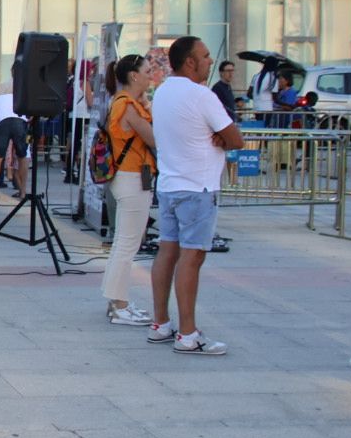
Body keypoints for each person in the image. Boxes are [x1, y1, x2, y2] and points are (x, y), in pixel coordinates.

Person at [149, 36, 244, 356]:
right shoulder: (202, 95)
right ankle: (188, 333)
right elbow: (235, 139)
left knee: (167, 252)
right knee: (192, 258)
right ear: (189, 61)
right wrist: (220, 135)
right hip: (198, 187)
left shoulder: (161, 92)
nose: (209, 61)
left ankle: (161, 322)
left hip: (170, 184)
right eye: (204, 56)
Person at [101, 54, 158, 327]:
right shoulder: (128, 106)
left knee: (124, 243)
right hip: (133, 177)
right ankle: (119, 305)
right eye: (147, 71)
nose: (151, 76)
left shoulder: (125, 103)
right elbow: (154, 137)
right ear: (134, 75)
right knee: (127, 244)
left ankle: (117, 301)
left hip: (131, 176)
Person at [0, 85, 28, 200]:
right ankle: (23, 191)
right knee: (22, 157)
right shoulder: (20, 98)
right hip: (19, 122)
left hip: (2, 123)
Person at [211, 60, 239, 124]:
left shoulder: (228, 86)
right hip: (222, 123)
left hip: (230, 122)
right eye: (228, 71)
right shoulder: (217, 88)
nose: (231, 73)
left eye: (232, 70)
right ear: (221, 73)